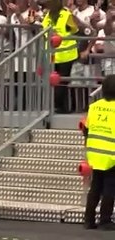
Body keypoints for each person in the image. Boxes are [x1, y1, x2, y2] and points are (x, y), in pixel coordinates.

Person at [83, 74, 115, 230]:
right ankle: (105, 219)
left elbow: (86, 130)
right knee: (110, 188)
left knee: (95, 187)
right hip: (111, 155)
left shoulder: (94, 107)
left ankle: (88, 220)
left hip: (94, 154)